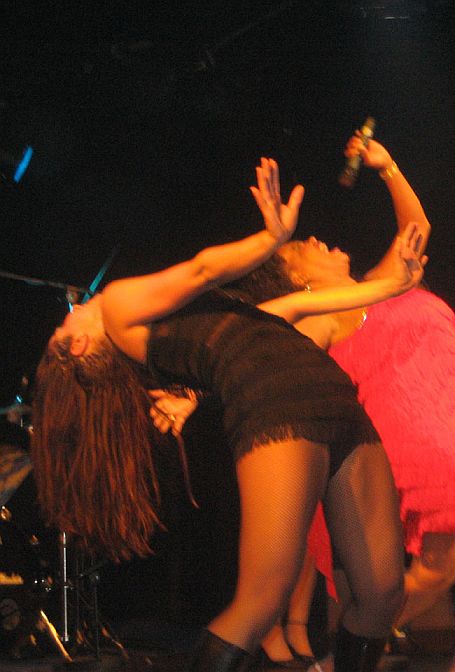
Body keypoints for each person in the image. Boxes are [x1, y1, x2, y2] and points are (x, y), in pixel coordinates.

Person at [29, 158, 425, 672]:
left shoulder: (182, 324)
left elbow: (287, 312)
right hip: (278, 403)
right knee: (263, 599)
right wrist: (269, 239)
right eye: (64, 326)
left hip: (331, 396)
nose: (73, 309)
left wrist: (389, 289)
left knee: (383, 594)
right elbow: (202, 269)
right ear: (80, 346)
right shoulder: (118, 306)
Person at [229, 133, 455, 672]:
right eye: (305, 248)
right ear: (298, 278)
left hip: (447, 432)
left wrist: (388, 166)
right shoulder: (319, 317)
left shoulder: (378, 283)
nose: (318, 240)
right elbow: (261, 344)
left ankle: (336, 664)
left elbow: (416, 228)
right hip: (422, 443)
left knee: (435, 573)